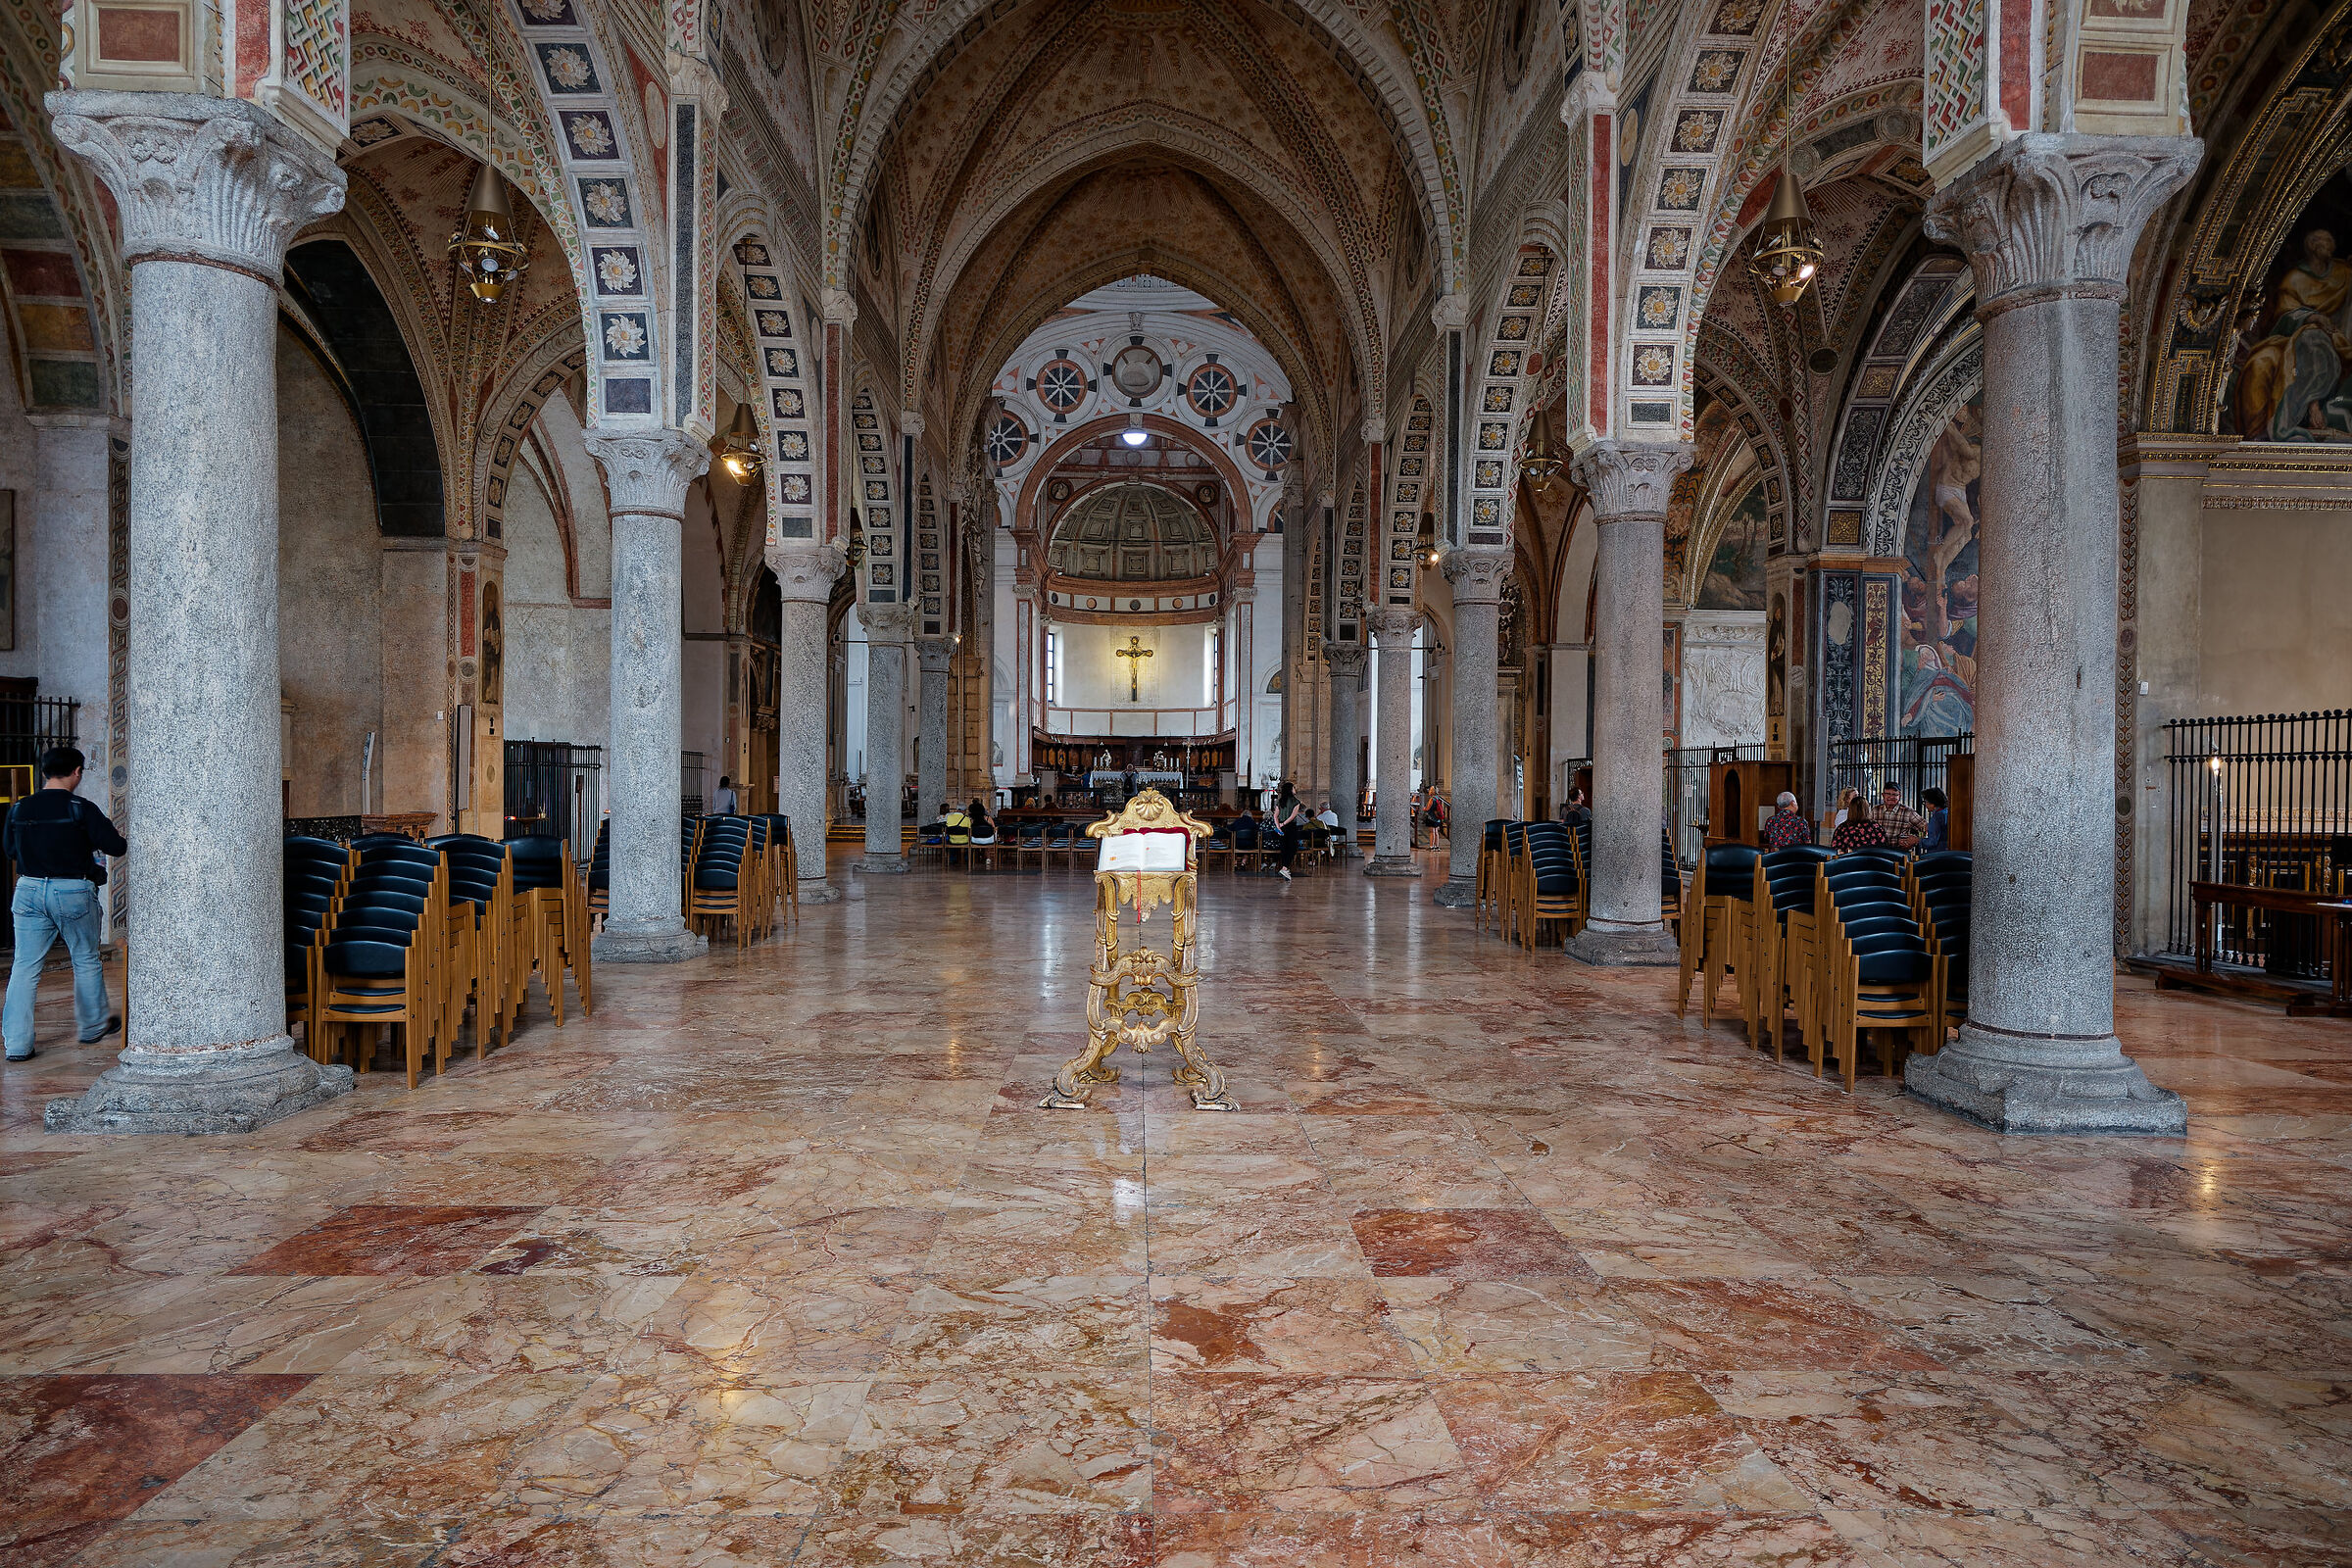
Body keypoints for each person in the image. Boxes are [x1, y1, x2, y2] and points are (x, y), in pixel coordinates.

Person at [4, 747, 125, 1061]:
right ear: (77, 772)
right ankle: (92, 1026)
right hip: (72, 890)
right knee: (84, 958)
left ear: (44, 772)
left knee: (25, 966)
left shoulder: (20, 809)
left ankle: (17, 1045)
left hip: (29, 889)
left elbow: (9, 850)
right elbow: (116, 846)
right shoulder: (80, 808)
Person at [1870, 781, 1926, 850]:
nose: (1891, 797)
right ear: (1883, 795)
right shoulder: (1875, 810)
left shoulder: (1908, 812)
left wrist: (1914, 841)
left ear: (1900, 796)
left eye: (1895, 794)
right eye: (1888, 794)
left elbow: (1925, 827)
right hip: (1878, 851)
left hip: (1899, 852)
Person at [1270, 783, 1306, 880]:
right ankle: (1285, 868)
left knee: (1284, 848)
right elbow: (1292, 816)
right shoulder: (1296, 801)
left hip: (1281, 826)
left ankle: (1285, 869)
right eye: (1294, 787)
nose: (1295, 789)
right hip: (1290, 826)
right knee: (1293, 847)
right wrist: (1283, 824)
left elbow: (1275, 816)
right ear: (1290, 789)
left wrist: (1279, 827)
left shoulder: (1280, 801)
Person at [1919, 787, 1950, 853]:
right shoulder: (1946, 812)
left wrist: (1917, 840)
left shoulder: (1937, 817)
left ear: (1932, 802)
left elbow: (1932, 842)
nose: (1925, 805)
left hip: (1937, 855)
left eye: (1925, 802)